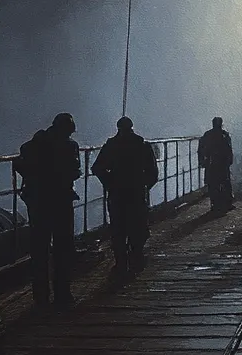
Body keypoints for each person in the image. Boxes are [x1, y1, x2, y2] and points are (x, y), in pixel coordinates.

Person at [17, 112, 82, 308]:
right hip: (61, 200)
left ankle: (41, 296)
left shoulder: (34, 144)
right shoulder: (70, 146)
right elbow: (75, 170)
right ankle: (63, 294)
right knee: (63, 247)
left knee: (39, 249)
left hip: (38, 201)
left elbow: (20, 164)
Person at [92, 116, 159, 277]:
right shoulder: (142, 145)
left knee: (118, 228)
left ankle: (121, 262)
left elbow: (97, 168)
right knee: (139, 226)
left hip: (117, 192)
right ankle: (136, 257)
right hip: (136, 192)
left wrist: (108, 182)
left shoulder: (111, 146)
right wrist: (145, 186)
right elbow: (153, 172)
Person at [198, 117, 234, 213]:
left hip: (211, 162)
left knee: (213, 184)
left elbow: (201, 148)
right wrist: (230, 160)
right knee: (225, 182)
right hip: (223, 162)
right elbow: (229, 149)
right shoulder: (224, 135)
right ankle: (227, 203)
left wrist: (202, 161)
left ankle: (215, 204)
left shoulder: (207, 135)